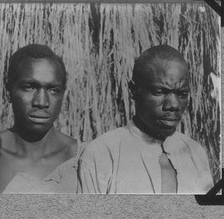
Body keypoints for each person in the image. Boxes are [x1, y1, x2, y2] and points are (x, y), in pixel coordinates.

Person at [78, 45, 214, 194]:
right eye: (159, 92)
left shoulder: (196, 154)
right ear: (133, 91)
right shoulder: (102, 154)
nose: (173, 105)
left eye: (182, 94)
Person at [0, 44, 82, 194]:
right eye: (30, 87)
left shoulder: (83, 158)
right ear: (8, 93)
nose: (41, 102)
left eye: (53, 90)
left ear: (62, 95)